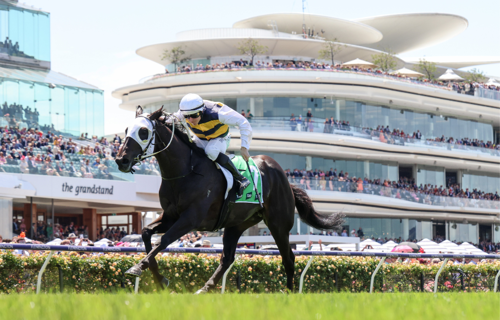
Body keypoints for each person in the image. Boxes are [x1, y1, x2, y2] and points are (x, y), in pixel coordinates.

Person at [171, 93, 251, 197]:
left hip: (220, 138)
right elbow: (169, 121)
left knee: (211, 151)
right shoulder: (186, 111)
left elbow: (243, 122)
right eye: (187, 117)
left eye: (194, 116)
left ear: (202, 111)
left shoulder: (218, 112)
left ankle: (241, 179)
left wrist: (244, 147)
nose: (190, 120)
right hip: (200, 138)